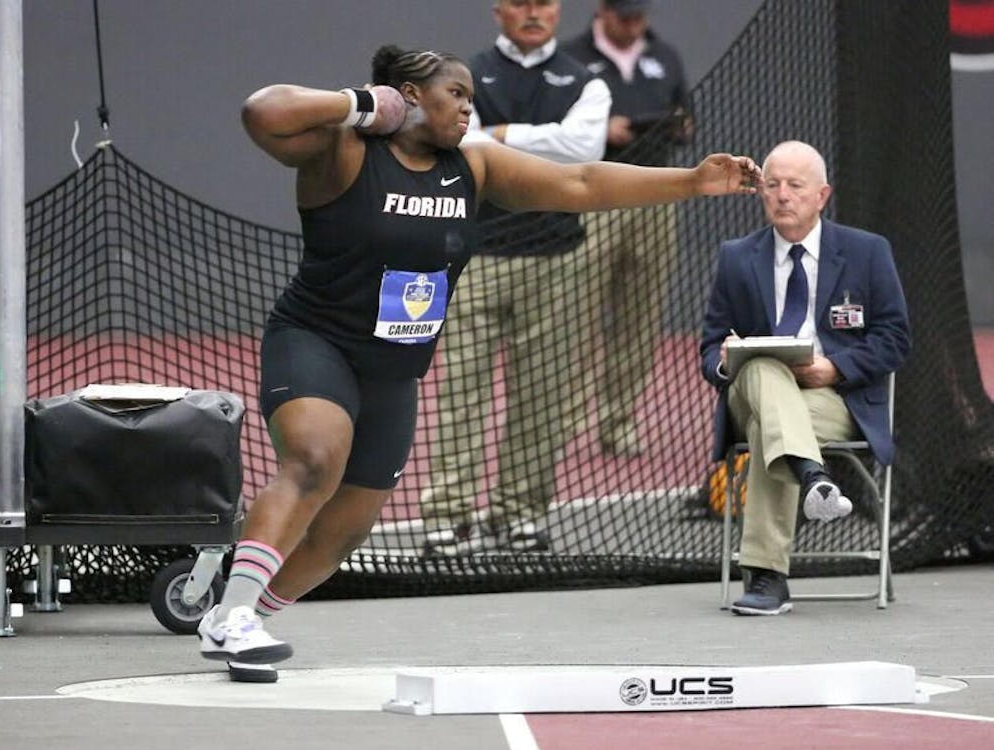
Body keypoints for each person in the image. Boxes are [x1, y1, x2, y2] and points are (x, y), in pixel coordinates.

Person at [197, 42, 761, 679]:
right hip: (316, 340)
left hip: (396, 368)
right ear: (409, 96)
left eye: (471, 95)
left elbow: (579, 182)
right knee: (315, 459)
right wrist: (364, 106)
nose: (471, 105)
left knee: (343, 535)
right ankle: (234, 616)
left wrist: (692, 182)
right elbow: (261, 111)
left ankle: (239, 611)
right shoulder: (346, 150)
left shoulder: (474, 166)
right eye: (456, 94)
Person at [418, 0, 613, 557]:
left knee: (544, 396)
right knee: (461, 390)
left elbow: (585, 151)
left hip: (558, 260)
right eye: (521, 3)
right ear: (498, 10)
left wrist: (502, 135)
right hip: (474, 256)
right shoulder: (465, 76)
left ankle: (519, 516)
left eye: (544, 3)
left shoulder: (585, 81)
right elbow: (463, 142)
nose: (534, 13)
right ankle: (448, 518)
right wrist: (535, 139)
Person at [699, 140, 911, 616]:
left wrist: (833, 368)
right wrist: (727, 359)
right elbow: (710, 348)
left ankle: (768, 578)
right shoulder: (737, 257)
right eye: (772, 185)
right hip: (750, 395)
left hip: (833, 401)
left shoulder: (867, 252)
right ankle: (813, 477)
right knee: (762, 366)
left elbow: (895, 339)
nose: (782, 195)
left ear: (822, 195)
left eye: (795, 186)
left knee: (769, 430)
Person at [563, 0, 693, 456]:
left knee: (640, 313)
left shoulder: (666, 57)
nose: (633, 25)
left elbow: (686, 120)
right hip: (597, 192)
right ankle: (568, 420)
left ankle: (619, 420)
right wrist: (602, 129)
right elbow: (556, 129)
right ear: (603, 12)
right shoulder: (572, 58)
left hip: (656, 195)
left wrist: (678, 127)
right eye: (624, 17)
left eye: (639, 16)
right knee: (578, 310)